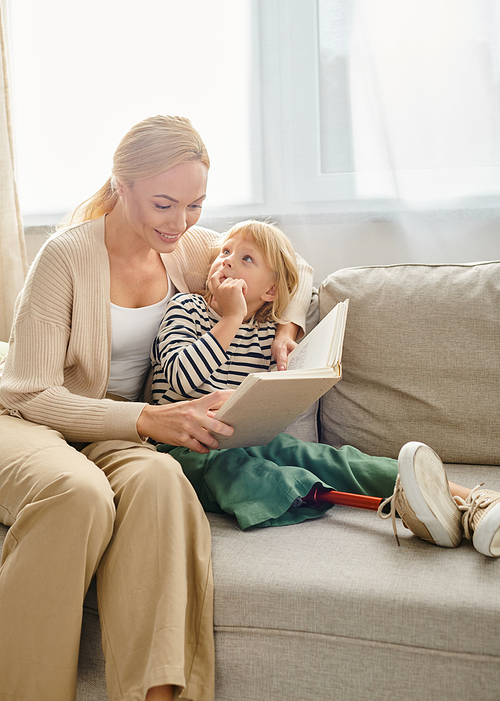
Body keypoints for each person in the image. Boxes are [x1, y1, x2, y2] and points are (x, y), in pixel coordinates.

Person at [0, 116, 314, 701]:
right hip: (26, 418)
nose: (181, 223)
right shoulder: (63, 259)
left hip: (116, 430)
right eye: (165, 204)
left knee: (164, 481)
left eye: (195, 204)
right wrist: (145, 419)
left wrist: (286, 327)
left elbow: (293, 265)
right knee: (80, 494)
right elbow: (29, 392)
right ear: (122, 186)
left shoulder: (189, 248)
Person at [151, 219, 500, 556]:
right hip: (180, 447)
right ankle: (409, 509)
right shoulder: (187, 308)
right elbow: (183, 377)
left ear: (270, 291)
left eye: (246, 258)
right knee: (240, 471)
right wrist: (230, 318)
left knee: (332, 458)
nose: (226, 260)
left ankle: (474, 502)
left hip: (245, 440)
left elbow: (265, 403)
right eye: (224, 251)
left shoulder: (266, 334)